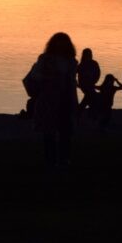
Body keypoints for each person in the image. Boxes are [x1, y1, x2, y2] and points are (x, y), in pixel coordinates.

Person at [28, 32, 79, 166]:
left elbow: (73, 83)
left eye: (63, 42)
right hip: (48, 100)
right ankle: (50, 160)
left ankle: (64, 159)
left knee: (65, 131)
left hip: (66, 99)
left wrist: (74, 102)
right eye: (58, 41)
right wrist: (48, 78)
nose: (61, 45)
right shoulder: (45, 59)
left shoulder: (71, 61)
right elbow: (35, 75)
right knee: (49, 132)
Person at [76, 48, 101, 113]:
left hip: (90, 84)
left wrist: (94, 81)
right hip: (84, 85)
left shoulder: (94, 63)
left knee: (89, 96)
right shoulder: (82, 64)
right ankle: (82, 109)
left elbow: (98, 73)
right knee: (91, 96)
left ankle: (80, 110)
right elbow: (74, 72)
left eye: (89, 54)